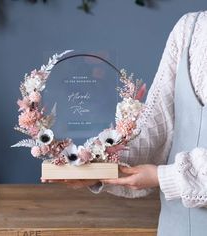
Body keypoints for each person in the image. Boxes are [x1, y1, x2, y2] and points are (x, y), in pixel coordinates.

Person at [44, 11, 207, 236]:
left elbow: (160, 173)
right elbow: (155, 125)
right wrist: (97, 165)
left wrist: (163, 177)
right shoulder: (189, 27)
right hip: (176, 225)